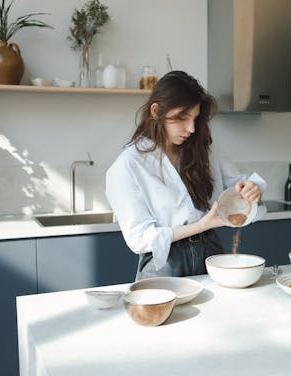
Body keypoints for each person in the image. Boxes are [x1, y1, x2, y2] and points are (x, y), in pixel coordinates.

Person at [106, 70, 266, 280]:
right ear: (156, 111)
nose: (190, 128)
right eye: (182, 117)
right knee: (167, 313)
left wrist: (251, 189)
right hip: (166, 263)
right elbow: (139, 238)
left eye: (195, 118)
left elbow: (236, 186)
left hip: (211, 253)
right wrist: (200, 225)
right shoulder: (129, 165)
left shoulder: (204, 149)